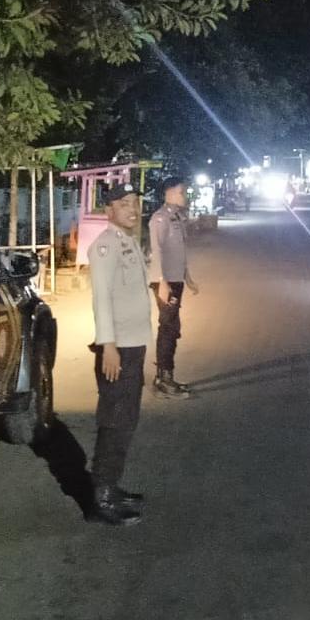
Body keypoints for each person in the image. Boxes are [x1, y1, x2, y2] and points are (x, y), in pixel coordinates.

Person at [86, 183, 150, 526]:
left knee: (126, 420)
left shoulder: (128, 241)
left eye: (134, 203)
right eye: (124, 203)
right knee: (115, 421)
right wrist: (108, 344)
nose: (132, 209)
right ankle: (102, 498)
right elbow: (101, 298)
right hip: (118, 348)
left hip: (132, 344)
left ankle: (111, 484)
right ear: (108, 210)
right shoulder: (105, 247)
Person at [148, 174, 200, 398]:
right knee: (168, 328)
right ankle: (163, 380)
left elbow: (179, 252)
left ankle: (166, 376)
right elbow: (157, 250)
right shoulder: (160, 219)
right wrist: (162, 282)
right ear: (169, 192)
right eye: (181, 191)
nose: (184, 195)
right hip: (165, 281)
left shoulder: (177, 217)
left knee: (172, 327)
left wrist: (187, 278)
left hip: (175, 279)